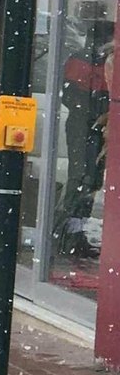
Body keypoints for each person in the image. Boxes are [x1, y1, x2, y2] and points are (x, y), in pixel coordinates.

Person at [54, 18, 115, 259]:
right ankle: (63, 232)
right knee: (81, 178)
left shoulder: (101, 61)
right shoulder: (80, 60)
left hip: (96, 125)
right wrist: (95, 110)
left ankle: (74, 233)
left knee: (91, 181)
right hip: (83, 125)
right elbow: (69, 95)